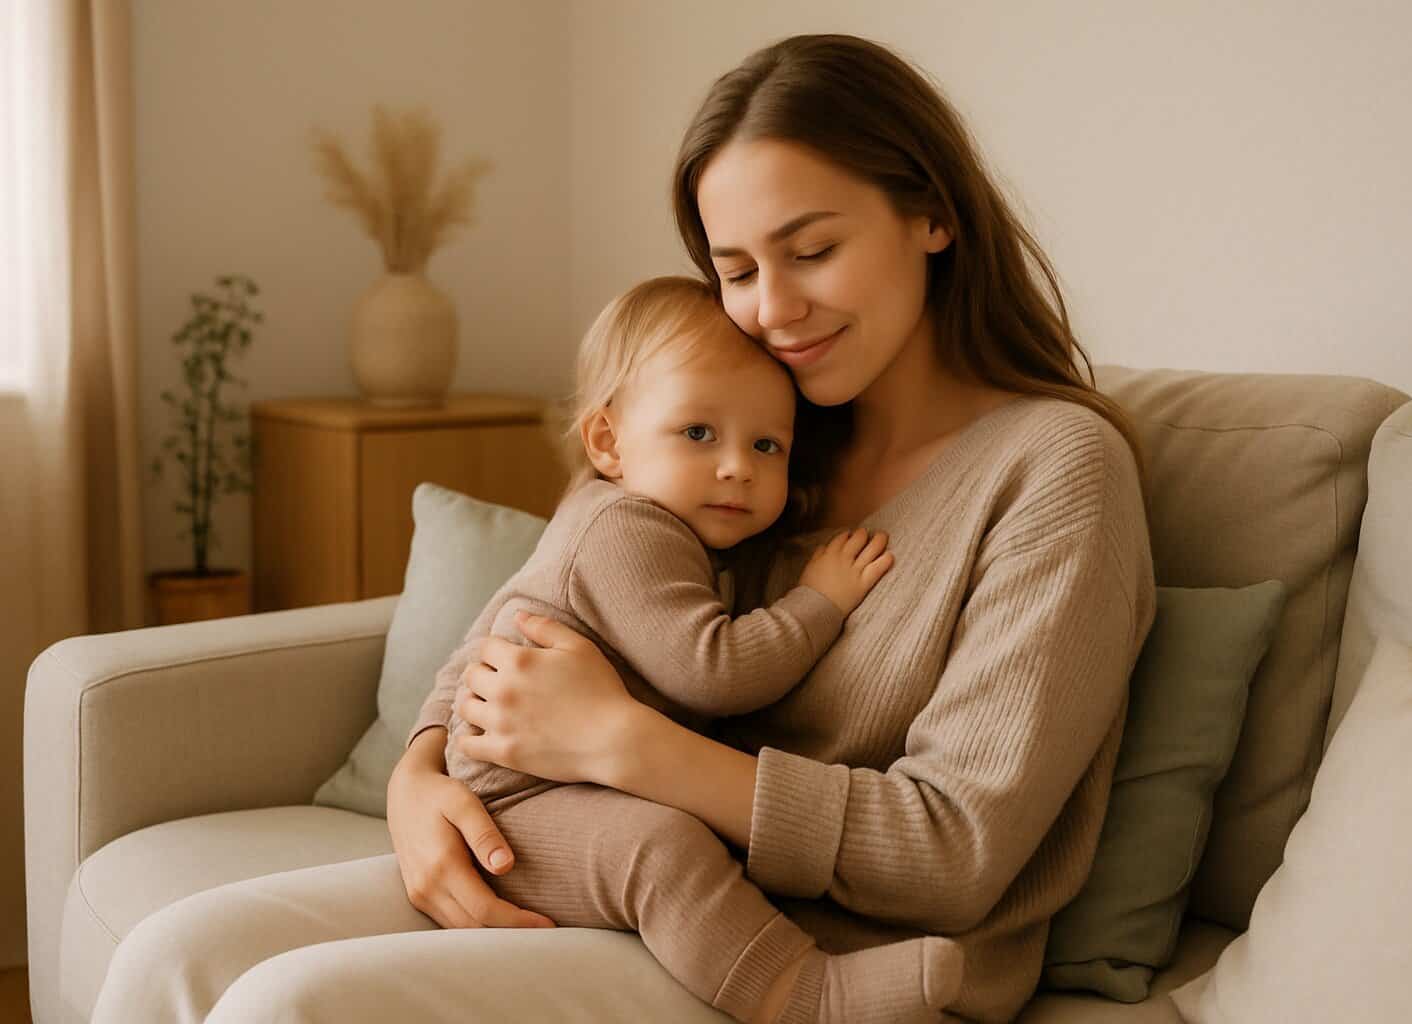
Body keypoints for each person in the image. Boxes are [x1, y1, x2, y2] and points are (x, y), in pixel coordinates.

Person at [90, 33, 1155, 1024]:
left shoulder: (1055, 469)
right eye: (737, 271)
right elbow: (536, 601)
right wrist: (422, 775)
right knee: (171, 955)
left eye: (812, 250)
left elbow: (955, 851)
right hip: (613, 868)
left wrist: (624, 743)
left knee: (288, 1007)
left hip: (826, 957)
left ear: (933, 215)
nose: (772, 310)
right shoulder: (761, 439)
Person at [426, 273, 956, 1023]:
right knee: (663, 850)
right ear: (608, 441)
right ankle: (805, 996)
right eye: (698, 433)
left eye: (766, 444)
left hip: (562, 787)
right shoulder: (627, 529)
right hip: (516, 809)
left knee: (677, 839)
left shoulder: (648, 521)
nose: (738, 466)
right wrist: (821, 600)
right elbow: (715, 672)